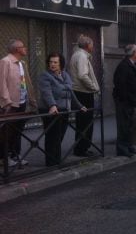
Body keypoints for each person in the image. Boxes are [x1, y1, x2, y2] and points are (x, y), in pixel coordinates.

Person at [37, 52, 86, 166]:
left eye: (55, 62)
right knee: (52, 136)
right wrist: (52, 105)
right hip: (51, 109)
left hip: (64, 109)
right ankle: (50, 163)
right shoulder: (45, 76)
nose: (52, 64)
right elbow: (46, 92)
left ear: (61, 64)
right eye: (50, 62)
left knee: (60, 136)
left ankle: (57, 161)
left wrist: (79, 106)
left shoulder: (65, 75)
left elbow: (71, 93)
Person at [0, 39, 34, 167]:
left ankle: (16, 155)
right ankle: (4, 158)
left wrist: (31, 100)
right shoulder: (5, 62)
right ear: (16, 49)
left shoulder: (21, 63)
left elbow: (26, 82)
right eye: (23, 46)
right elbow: (1, 83)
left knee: (18, 131)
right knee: (6, 132)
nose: (25, 48)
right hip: (11, 104)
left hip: (22, 102)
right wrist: (6, 102)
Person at [69, 35, 100, 157]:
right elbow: (82, 75)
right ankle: (82, 148)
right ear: (88, 46)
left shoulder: (77, 55)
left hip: (79, 91)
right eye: (92, 44)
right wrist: (94, 87)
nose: (93, 46)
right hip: (84, 92)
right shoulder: (81, 56)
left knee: (82, 122)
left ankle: (81, 147)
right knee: (86, 123)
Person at [113, 44, 136, 157]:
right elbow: (121, 84)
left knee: (130, 125)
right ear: (133, 53)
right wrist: (126, 99)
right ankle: (122, 148)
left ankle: (128, 145)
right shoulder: (124, 66)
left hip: (131, 101)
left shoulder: (133, 65)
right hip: (124, 101)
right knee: (123, 125)